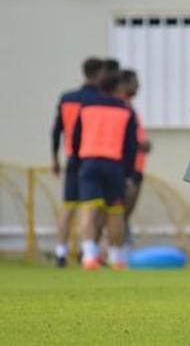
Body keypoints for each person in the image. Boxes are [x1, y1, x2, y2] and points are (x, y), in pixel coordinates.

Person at [71, 71, 138, 271]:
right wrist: (128, 172)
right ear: (118, 87)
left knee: (89, 210)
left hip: (89, 161)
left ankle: (89, 256)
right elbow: (131, 146)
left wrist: (76, 161)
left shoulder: (86, 107)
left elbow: (76, 138)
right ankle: (117, 259)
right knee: (115, 212)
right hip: (114, 165)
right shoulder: (126, 111)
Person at [50, 57, 104, 267]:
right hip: (91, 156)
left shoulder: (67, 98)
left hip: (71, 157)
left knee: (68, 206)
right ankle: (88, 252)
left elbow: (57, 131)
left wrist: (55, 158)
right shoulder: (98, 99)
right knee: (91, 208)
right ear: (99, 74)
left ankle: (60, 253)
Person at [118, 69, 150, 248]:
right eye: (135, 81)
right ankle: (115, 250)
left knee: (125, 212)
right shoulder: (120, 108)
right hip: (127, 169)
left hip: (137, 166)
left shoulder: (130, 106)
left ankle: (121, 246)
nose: (138, 86)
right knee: (119, 211)